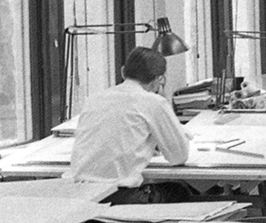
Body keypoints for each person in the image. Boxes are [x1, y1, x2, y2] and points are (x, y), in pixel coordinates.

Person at [65, 46, 192, 202]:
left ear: (123, 71)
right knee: (180, 189)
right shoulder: (153, 102)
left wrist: (144, 147)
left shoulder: (94, 99)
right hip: (119, 197)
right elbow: (179, 156)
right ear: (159, 79)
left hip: (79, 194)